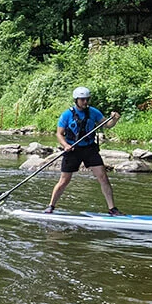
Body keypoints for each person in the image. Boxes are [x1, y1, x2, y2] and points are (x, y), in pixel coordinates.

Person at [45, 86, 123, 215]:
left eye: (87, 99)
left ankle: (112, 209)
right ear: (76, 100)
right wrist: (65, 145)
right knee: (64, 180)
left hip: (89, 149)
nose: (85, 102)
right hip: (72, 150)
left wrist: (114, 119)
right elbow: (59, 134)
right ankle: (51, 206)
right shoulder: (67, 114)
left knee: (103, 177)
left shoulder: (94, 112)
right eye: (82, 100)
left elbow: (107, 125)